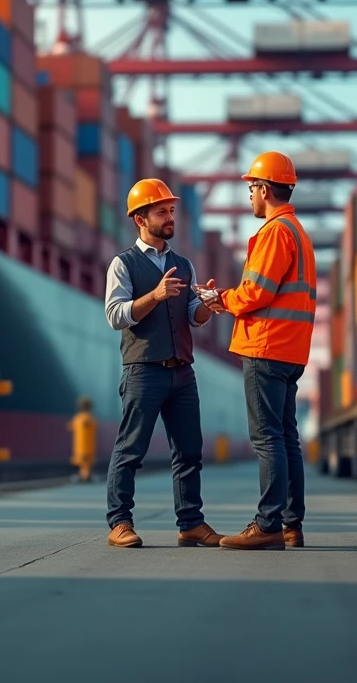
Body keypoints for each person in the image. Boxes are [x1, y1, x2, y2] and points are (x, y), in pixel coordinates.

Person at [202, 152, 316, 551]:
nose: (250, 195)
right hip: (292, 350)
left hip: (266, 346)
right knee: (286, 438)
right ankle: (290, 525)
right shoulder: (299, 232)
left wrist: (221, 298)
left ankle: (267, 525)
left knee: (267, 438)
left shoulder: (274, 232)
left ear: (264, 189)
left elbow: (256, 292)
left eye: (251, 187)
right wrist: (227, 300)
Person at [104, 178, 222, 549]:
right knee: (130, 450)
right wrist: (154, 295)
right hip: (143, 370)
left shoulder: (184, 264)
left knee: (189, 451)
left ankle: (191, 523)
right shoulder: (123, 264)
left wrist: (208, 306)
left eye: (171, 211)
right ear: (140, 219)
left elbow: (192, 315)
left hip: (182, 371)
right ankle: (119, 523)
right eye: (161, 212)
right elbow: (115, 315)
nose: (170, 217)